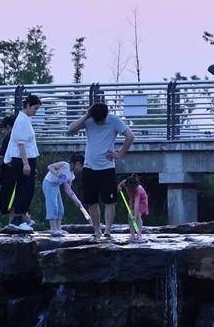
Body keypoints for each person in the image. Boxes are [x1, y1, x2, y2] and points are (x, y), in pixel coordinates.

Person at [65, 101, 133, 243]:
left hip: (107, 168)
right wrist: (86, 116)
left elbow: (130, 136)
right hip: (89, 167)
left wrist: (120, 154)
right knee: (92, 202)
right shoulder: (89, 120)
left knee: (110, 202)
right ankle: (97, 231)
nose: (100, 122)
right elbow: (70, 131)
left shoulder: (114, 120)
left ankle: (107, 231)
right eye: (97, 119)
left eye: (102, 119)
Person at [3, 93, 41, 232]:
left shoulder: (26, 119)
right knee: (24, 189)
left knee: (28, 189)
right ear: (28, 106)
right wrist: (26, 163)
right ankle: (17, 220)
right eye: (35, 108)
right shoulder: (22, 120)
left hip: (28, 158)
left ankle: (20, 218)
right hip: (22, 159)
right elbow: (21, 143)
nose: (36, 112)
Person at [43, 156, 85, 238]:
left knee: (60, 208)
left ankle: (58, 228)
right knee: (53, 205)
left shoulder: (71, 176)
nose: (81, 169)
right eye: (81, 167)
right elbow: (50, 167)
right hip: (48, 183)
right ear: (78, 164)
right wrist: (57, 173)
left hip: (56, 186)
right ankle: (53, 228)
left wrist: (77, 201)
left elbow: (68, 189)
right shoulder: (65, 165)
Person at [121, 174, 150, 239]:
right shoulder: (127, 184)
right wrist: (119, 186)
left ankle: (139, 234)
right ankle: (132, 234)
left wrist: (135, 216)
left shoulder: (138, 190)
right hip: (132, 200)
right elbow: (122, 183)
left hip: (141, 201)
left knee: (138, 216)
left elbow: (136, 205)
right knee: (129, 216)